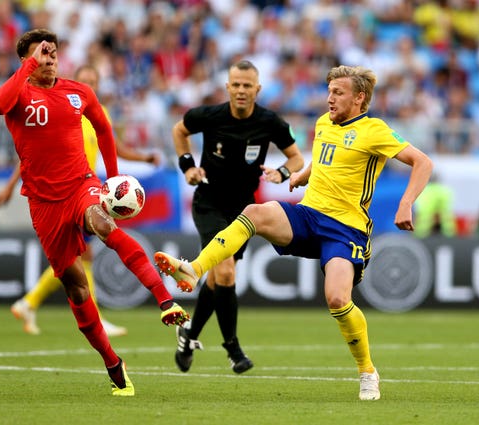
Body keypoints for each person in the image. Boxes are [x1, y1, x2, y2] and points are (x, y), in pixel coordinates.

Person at [155, 65, 433, 400]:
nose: (329, 98)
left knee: (337, 299)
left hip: (346, 230)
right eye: (329, 91)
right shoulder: (323, 123)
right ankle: (194, 268)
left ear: (359, 98)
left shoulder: (375, 130)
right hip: (308, 215)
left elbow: (423, 162)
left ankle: (367, 372)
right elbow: (326, 158)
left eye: (338, 93)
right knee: (254, 213)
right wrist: (303, 173)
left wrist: (406, 204)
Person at [0, 28, 189, 396]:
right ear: (26, 61)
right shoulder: (19, 94)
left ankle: (165, 299)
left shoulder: (78, 92)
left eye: (53, 53)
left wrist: (112, 180)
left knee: (103, 224)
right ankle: (113, 364)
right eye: (41, 54)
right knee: (78, 289)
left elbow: (105, 129)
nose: (49, 59)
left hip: (82, 185)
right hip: (43, 203)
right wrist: (29, 65)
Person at [0, 64, 161, 337]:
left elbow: (114, 145)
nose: (89, 84)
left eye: (93, 81)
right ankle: (38, 303)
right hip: (60, 191)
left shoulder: (97, 111)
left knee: (81, 255)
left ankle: (31, 303)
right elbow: (32, 153)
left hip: (84, 190)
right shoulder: (64, 107)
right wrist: (11, 184)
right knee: (79, 256)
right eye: (84, 80)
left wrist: (143, 158)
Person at [169, 59, 304, 374]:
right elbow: (179, 131)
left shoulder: (271, 122)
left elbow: (296, 158)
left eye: (248, 86)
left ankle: (189, 335)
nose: (242, 90)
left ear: (257, 89)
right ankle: (233, 349)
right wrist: (188, 166)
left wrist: (282, 172)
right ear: (227, 87)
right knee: (226, 272)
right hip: (209, 203)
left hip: (242, 210)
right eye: (237, 85)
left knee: (217, 278)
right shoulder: (210, 115)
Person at [413, 173, 456, 238]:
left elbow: (417, 211)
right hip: (445, 229)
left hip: (424, 229)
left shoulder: (422, 191)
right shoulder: (445, 191)